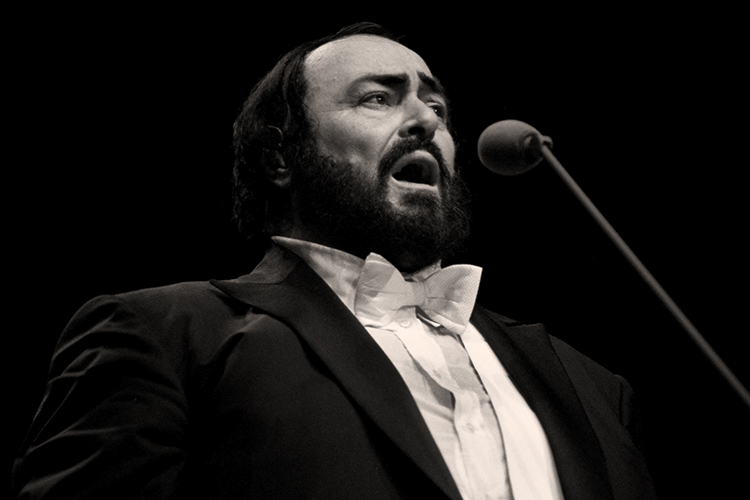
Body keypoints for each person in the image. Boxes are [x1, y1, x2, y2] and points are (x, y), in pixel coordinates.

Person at [11, 23, 657, 499]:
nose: (424, 121)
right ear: (280, 158)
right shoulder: (168, 337)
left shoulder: (592, 386)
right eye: (379, 98)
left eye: (437, 107)